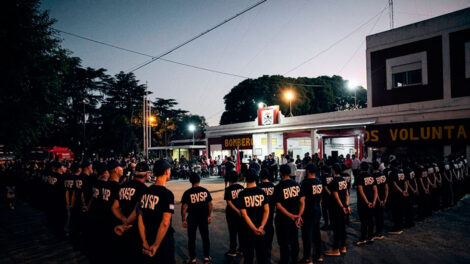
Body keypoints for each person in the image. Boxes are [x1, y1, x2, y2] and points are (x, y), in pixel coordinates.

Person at [138, 159, 175, 264]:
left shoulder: (145, 192)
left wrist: (144, 241)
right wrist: (156, 245)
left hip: (148, 237)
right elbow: (165, 222)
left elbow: (140, 217)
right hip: (162, 242)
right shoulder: (167, 194)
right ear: (166, 171)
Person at [112, 161, 149, 263]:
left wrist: (123, 219)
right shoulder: (144, 189)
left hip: (122, 229)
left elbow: (114, 207)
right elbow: (137, 210)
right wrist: (127, 223)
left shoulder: (123, 186)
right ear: (146, 175)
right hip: (136, 229)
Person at [274, 164, 305, 264]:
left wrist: (291, 216)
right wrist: (299, 215)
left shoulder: (278, 187)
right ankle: (294, 260)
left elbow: (278, 206)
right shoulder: (296, 184)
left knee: (284, 243)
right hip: (295, 218)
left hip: (283, 219)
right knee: (294, 241)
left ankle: (285, 261)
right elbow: (302, 201)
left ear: (281, 173)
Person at [238, 169, 269, 264]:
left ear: (245, 178)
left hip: (247, 229)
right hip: (261, 229)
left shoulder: (242, 194)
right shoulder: (262, 192)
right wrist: (261, 226)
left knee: (248, 255)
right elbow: (266, 211)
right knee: (261, 253)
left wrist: (254, 229)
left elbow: (244, 214)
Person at [181, 172, 213, 264]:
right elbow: (210, 204)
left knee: (191, 238)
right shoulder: (205, 191)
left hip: (192, 218)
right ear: (199, 180)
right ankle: (206, 258)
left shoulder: (187, 193)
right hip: (203, 217)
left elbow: (184, 207)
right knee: (205, 237)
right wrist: (209, 216)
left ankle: (193, 259)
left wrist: (183, 219)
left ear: (190, 181)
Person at [299, 164, 323, 264]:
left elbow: (302, 200)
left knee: (307, 235)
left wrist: (299, 214)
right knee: (317, 233)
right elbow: (320, 198)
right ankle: (319, 255)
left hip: (308, 211)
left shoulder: (305, 183)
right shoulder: (319, 182)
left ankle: (307, 258)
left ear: (308, 171)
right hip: (317, 209)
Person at [325, 163, 350, 256]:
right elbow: (347, 194)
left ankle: (335, 249)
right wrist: (346, 206)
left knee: (336, 229)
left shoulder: (334, 181)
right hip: (343, 207)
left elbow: (336, 196)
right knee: (342, 228)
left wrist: (342, 207)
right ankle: (343, 247)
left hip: (336, 208)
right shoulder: (343, 180)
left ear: (333, 171)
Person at [355, 162, 378, 245]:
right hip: (372, 201)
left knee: (364, 221)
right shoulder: (371, 176)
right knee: (370, 220)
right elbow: (375, 190)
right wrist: (374, 201)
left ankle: (363, 239)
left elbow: (361, 191)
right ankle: (371, 237)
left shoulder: (359, 177)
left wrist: (367, 202)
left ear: (361, 168)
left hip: (363, 203)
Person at [224, 170, 244, 257]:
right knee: (241, 231)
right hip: (241, 213)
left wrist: (236, 210)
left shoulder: (228, 189)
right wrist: (240, 211)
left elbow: (229, 202)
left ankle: (233, 251)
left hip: (231, 213)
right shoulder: (241, 188)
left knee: (233, 232)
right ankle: (241, 249)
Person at [257, 168, 275, 262]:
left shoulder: (258, 187)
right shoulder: (272, 186)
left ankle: (262, 253)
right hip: (271, 213)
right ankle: (269, 249)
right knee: (270, 230)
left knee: (261, 232)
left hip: (260, 215)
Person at [388, 160, 408, 234]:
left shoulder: (393, 173)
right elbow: (405, 182)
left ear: (392, 166)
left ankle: (397, 228)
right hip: (402, 194)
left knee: (395, 211)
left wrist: (402, 191)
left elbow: (394, 184)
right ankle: (400, 226)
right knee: (401, 210)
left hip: (396, 194)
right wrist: (405, 190)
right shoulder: (401, 172)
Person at [372, 161, 388, 240]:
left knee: (377, 216)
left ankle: (378, 233)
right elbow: (386, 188)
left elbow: (375, 190)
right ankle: (380, 231)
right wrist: (385, 199)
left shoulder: (373, 176)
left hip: (377, 199)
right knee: (381, 216)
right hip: (383, 198)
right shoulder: (383, 175)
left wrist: (379, 200)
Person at [320, 165, 333, 230]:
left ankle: (326, 224)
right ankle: (331, 224)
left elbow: (324, 187)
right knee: (330, 211)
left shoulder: (323, 177)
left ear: (323, 170)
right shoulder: (331, 176)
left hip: (325, 196)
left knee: (324, 211)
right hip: (331, 196)